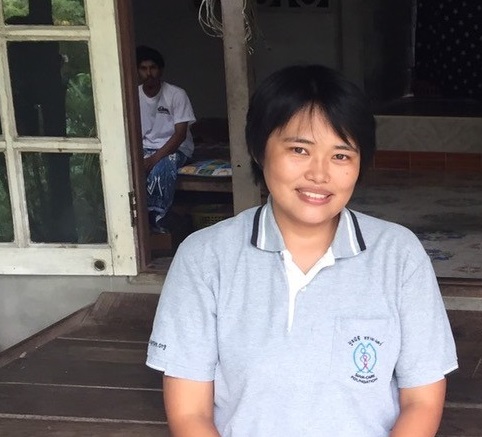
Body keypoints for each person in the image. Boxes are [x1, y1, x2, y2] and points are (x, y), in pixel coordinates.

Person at [146, 65, 458, 436]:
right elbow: (190, 414)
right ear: (259, 150)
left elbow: (421, 402)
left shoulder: (398, 256)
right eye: (299, 150)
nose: (319, 174)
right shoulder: (204, 258)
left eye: (341, 156)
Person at [136, 45, 196, 232]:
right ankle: (140, 219)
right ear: (137, 71)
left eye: (153, 68)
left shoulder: (176, 94)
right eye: (143, 69)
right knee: (129, 169)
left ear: (160, 70)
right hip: (145, 148)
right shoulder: (133, 95)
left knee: (161, 168)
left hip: (176, 148)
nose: (149, 73)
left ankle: (157, 218)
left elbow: (180, 135)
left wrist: (153, 159)